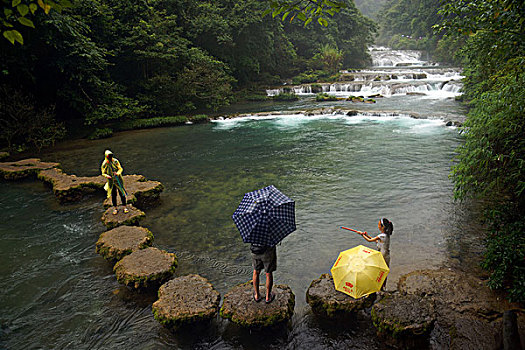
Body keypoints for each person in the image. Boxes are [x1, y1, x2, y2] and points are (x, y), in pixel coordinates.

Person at [100, 150, 128, 215]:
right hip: (111, 181)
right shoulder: (105, 163)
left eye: (111, 156)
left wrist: (117, 173)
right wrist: (107, 176)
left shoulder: (115, 161)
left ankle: (125, 207)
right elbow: (103, 173)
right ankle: (115, 208)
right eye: (109, 156)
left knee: (122, 193)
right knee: (113, 194)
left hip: (118, 179)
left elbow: (120, 168)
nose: (110, 157)